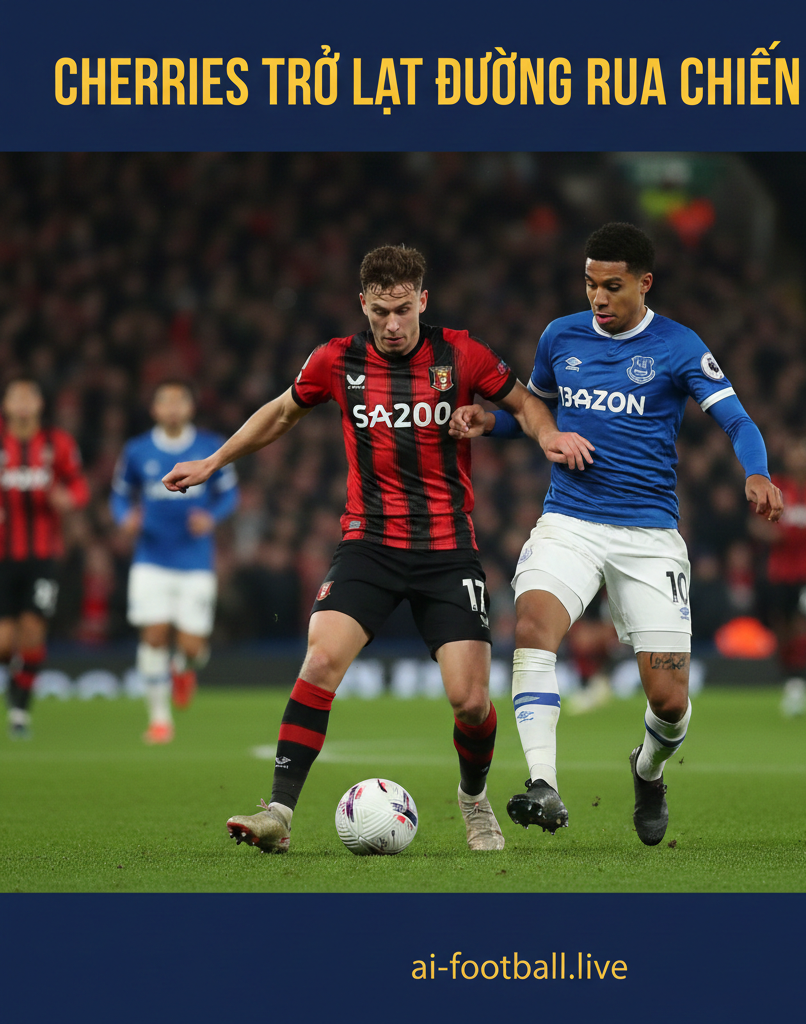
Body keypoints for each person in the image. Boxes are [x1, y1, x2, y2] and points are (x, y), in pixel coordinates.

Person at [162, 245, 591, 854]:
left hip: (447, 549)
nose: (391, 325)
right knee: (319, 662)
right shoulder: (337, 360)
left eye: (402, 311)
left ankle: (472, 800)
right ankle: (279, 812)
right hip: (370, 544)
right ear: (363, 303)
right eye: (380, 312)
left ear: (422, 300)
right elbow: (284, 412)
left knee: (470, 703)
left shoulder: (461, 354)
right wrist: (213, 461)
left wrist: (545, 434)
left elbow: (523, 400)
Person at [450, 222, 783, 845]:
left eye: (611, 286)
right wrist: (488, 420)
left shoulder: (680, 346)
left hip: (648, 536)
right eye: (589, 284)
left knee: (670, 702)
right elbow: (537, 414)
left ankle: (647, 769)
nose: (597, 298)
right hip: (569, 520)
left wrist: (758, 473)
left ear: (643, 283)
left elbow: (738, 421)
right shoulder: (560, 335)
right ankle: (543, 783)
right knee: (531, 628)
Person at [110, 381, 239, 744]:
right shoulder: (137, 451)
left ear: (189, 407)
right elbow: (119, 496)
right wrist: (124, 518)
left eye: (178, 401)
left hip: (195, 559)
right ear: (154, 409)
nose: (171, 407)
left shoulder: (209, 446)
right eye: (163, 401)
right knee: (152, 636)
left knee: (192, 647)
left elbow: (230, 494)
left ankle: (184, 668)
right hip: (150, 556)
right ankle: (159, 720)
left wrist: (211, 517)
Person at [0, 378, 89, 738]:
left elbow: (79, 486)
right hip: (3, 558)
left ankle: (20, 709)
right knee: (6, 644)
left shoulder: (58, 444)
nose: (22, 402)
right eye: (15, 396)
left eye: (29, 396)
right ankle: (15, 681)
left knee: (33, 634)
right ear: (6, 404)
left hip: (43, 556)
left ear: (38, 404)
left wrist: (69, 499)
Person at [752, 436, 806, 710]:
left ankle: (799, 681)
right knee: (782, 627)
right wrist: (770, 533)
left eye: (805, 455)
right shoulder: (776, 485)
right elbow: (755, 523)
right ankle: (788, 677)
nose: (800, 460)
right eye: (796, 454)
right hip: (780, 572)